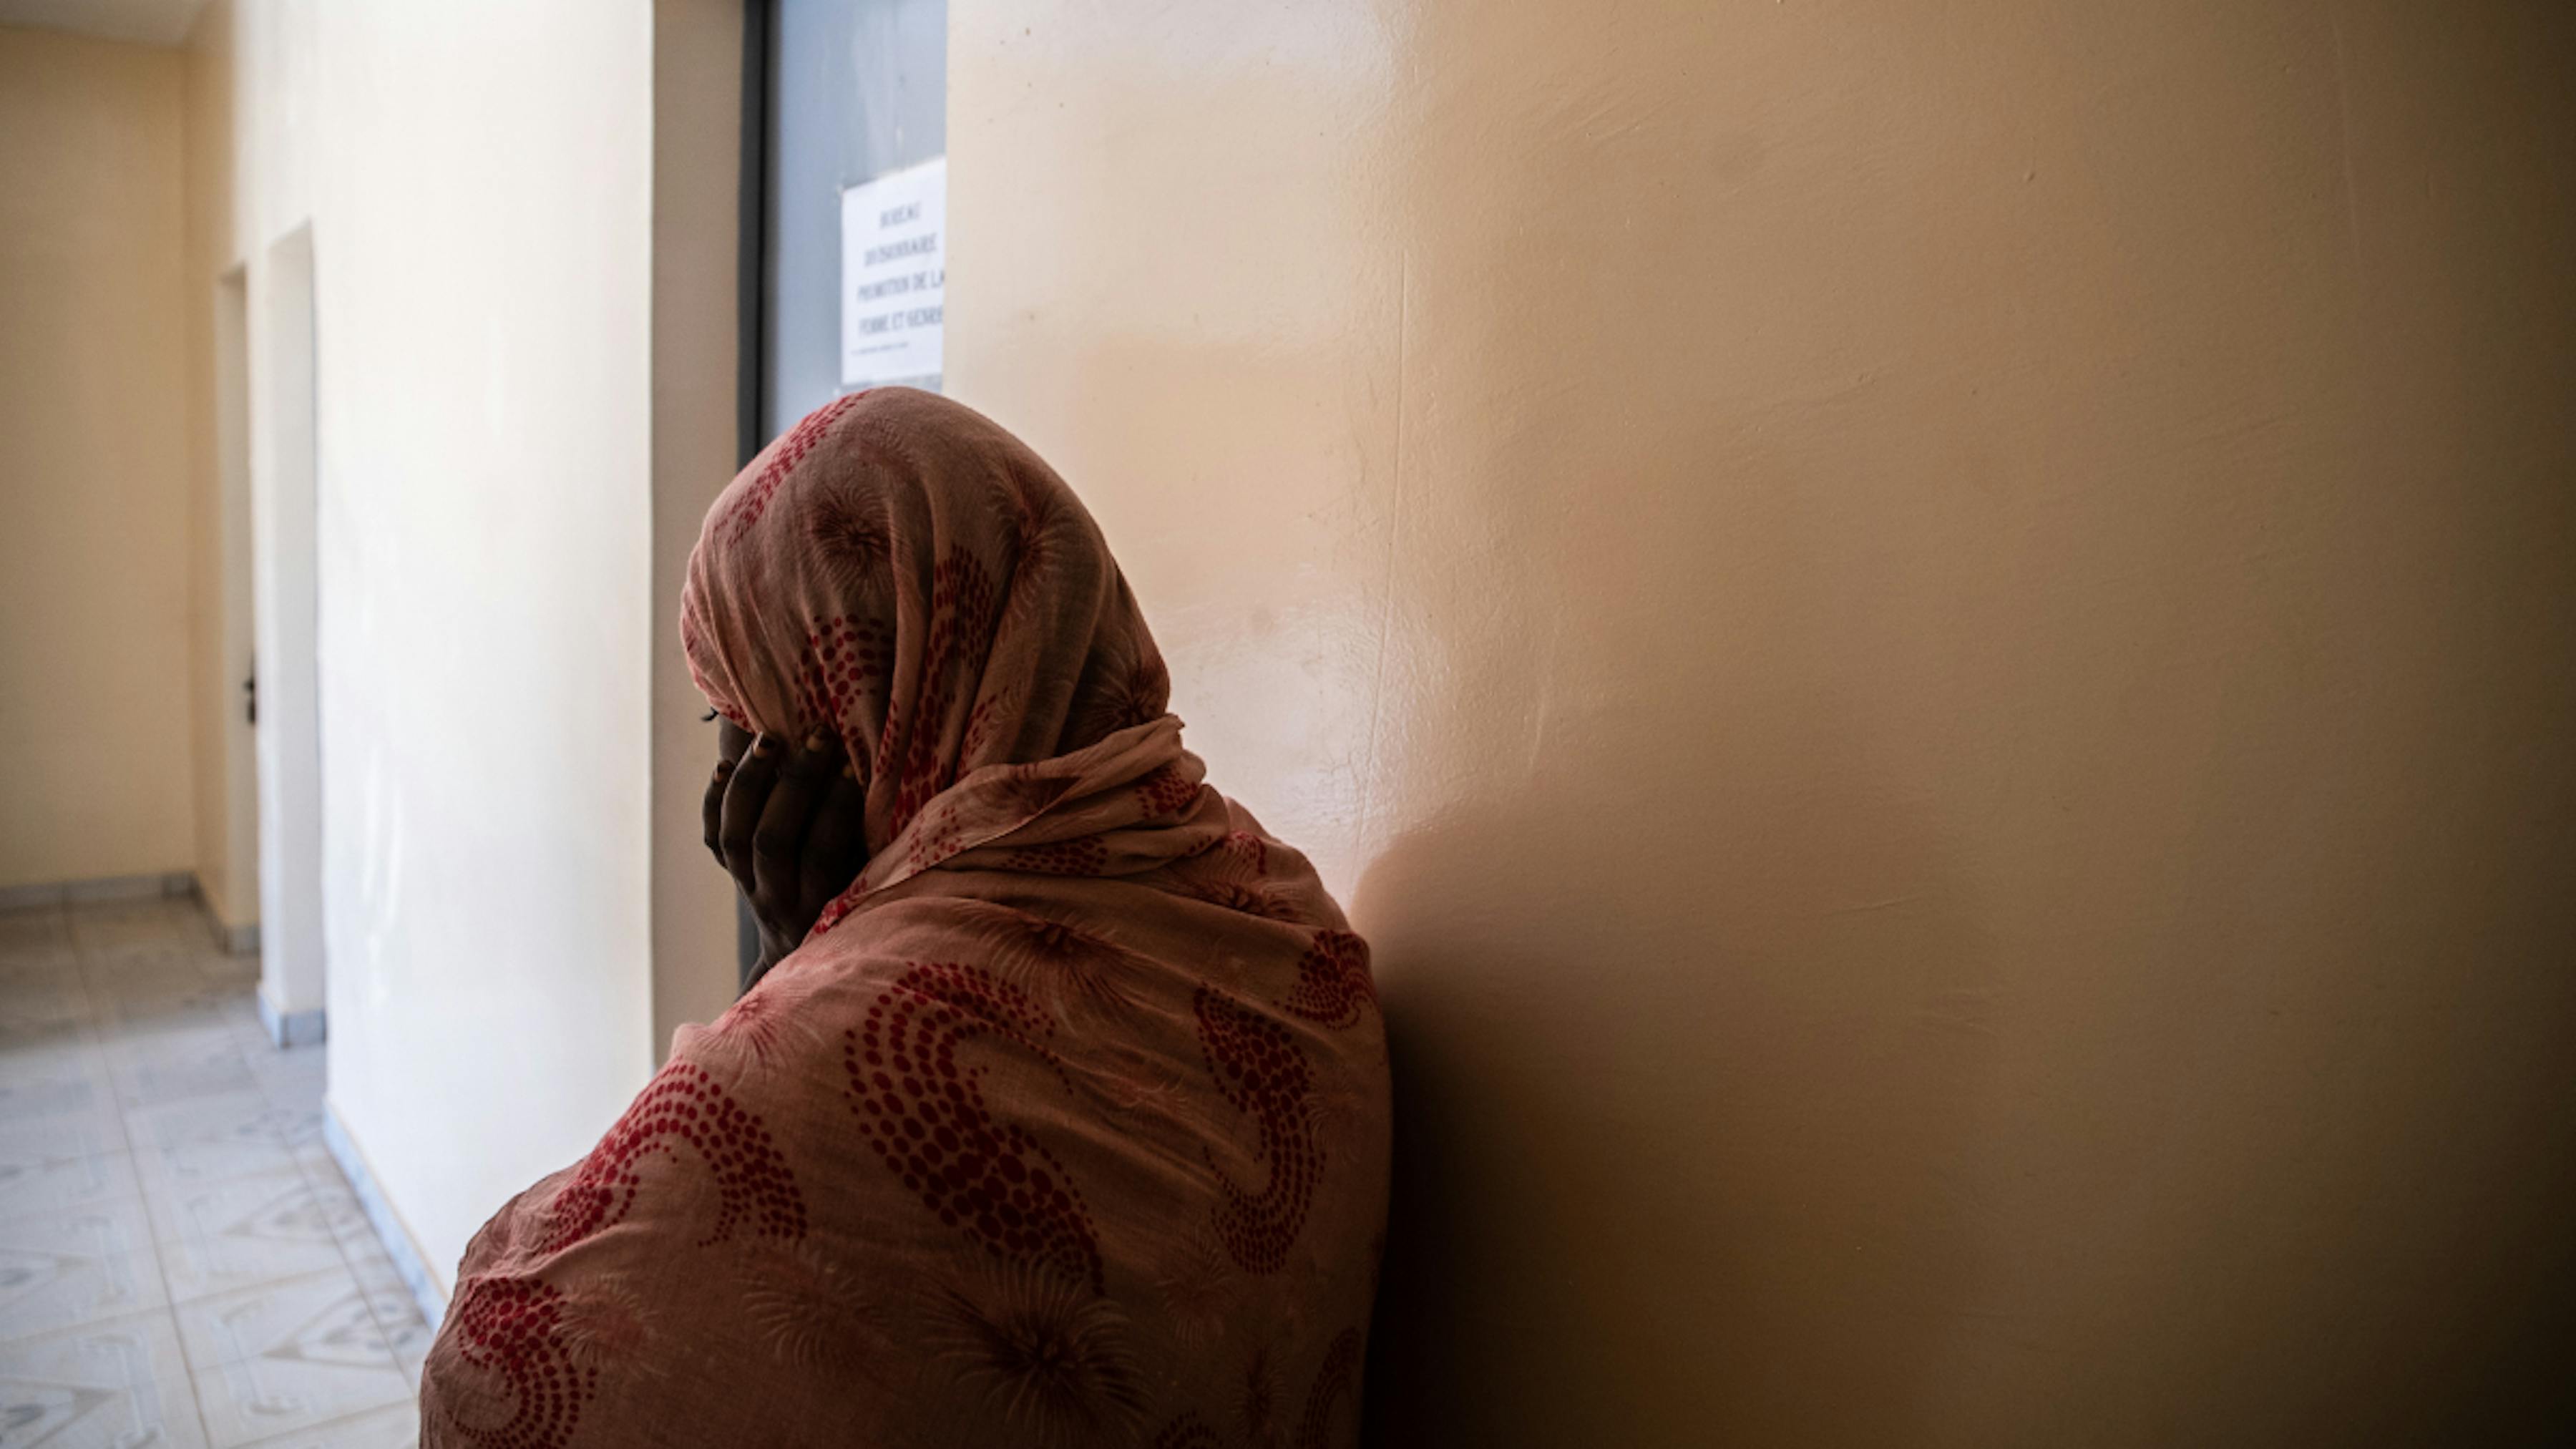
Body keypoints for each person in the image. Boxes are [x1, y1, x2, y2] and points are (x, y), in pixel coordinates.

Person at [416, 388, 1390, 1447]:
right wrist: (824, 948)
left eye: (740, 707)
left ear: (862, 706)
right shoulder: (1286, 923)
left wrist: (791, 970)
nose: (729, 768)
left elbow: (496, 1374)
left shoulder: (856, 1057)